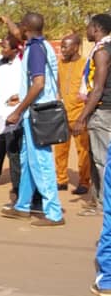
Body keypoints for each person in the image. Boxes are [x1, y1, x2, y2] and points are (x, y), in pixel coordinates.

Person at [0, 12, 64, 227]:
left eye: (20, 25)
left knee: (41, 162)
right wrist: (7, 21)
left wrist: (18, 110)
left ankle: (54, 213)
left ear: (26, 27)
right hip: (35, 111)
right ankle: (23, 206)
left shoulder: (35, 49)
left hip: (38, 113)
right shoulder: (39, 44)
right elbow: (17, 33)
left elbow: (39, 83)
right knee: (27, 161)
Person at [73, 13, 111, 217]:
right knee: (99, 158)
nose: (86, 31)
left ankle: (103, 205)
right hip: (104, 109)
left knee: (101, 160)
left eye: (88, 27)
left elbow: (97, 89)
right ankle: (98, 200)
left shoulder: (102, 52)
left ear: (96, 28)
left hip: (102, 111)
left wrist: (81, 118)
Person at [53, 33, 91, 194]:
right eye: (62, 46)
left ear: (75, 47)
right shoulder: (60, 64)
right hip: (62, 115)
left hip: (79, 115)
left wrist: (84, 117)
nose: (62, 50)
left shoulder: (85, 64)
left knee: (83, 151)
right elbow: (57, 85)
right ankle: (61, 180)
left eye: (65, 46)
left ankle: (84, 182)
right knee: (60, 150)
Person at [0, 37, 23, 202]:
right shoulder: (0, 61)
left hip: (17, 110)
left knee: (13, 148)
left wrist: (20, 98)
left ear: (15, 49)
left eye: (5, 47)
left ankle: (17, 185)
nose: (2, 50)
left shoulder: (22, 62)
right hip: (1, 111)